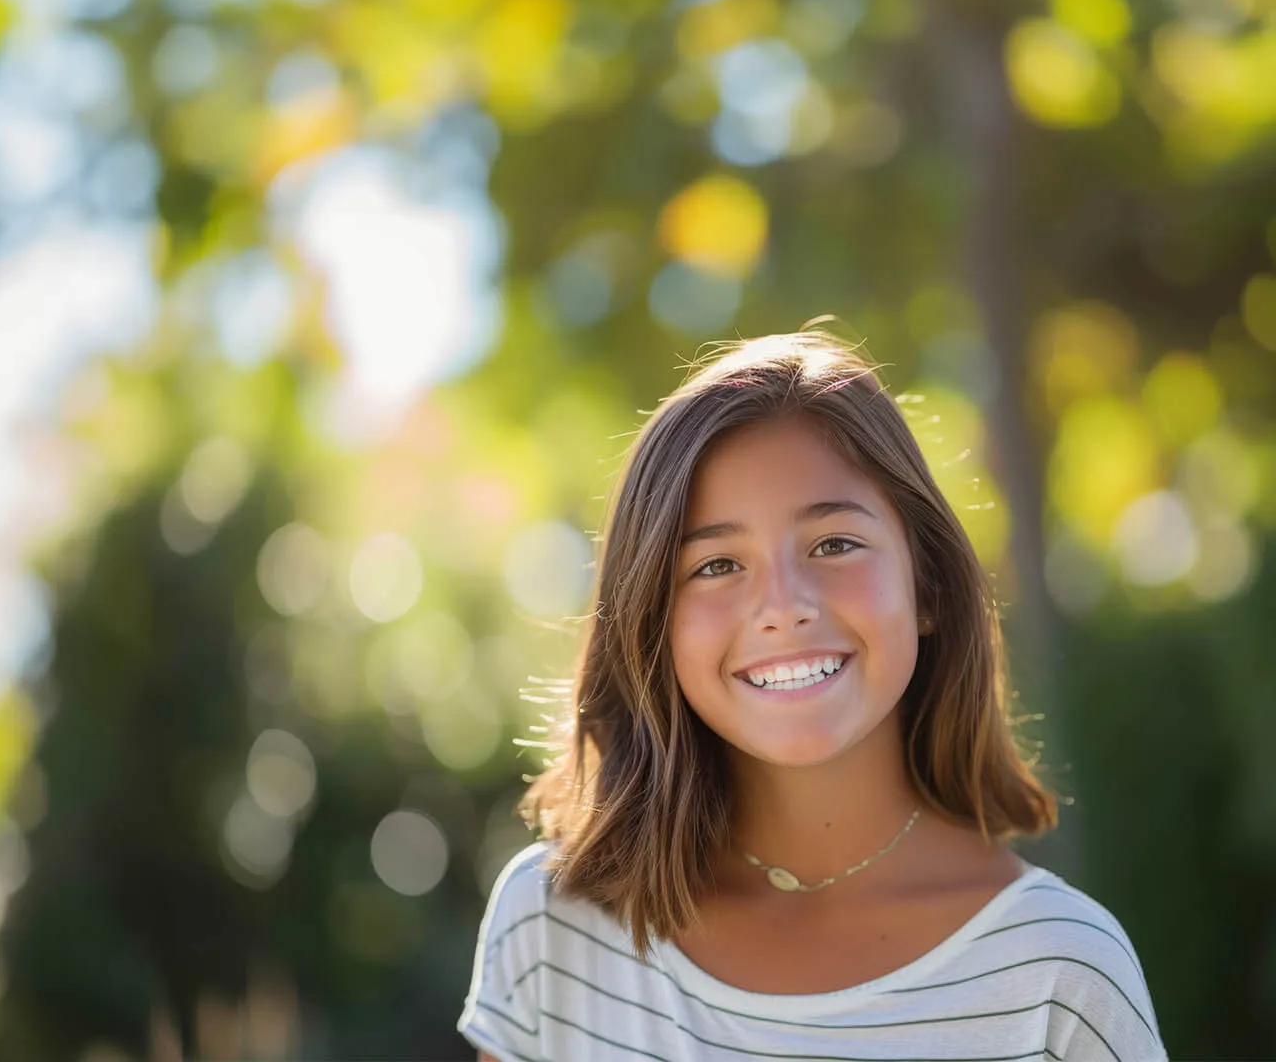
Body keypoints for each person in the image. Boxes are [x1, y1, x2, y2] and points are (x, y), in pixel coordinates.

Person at [458, 329, 1163, 1061]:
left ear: (926, 586)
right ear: (650, 622)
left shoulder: (1060, 976)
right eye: (718, 564)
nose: (784, 605)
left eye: (833, 545)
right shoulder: (554, 924)